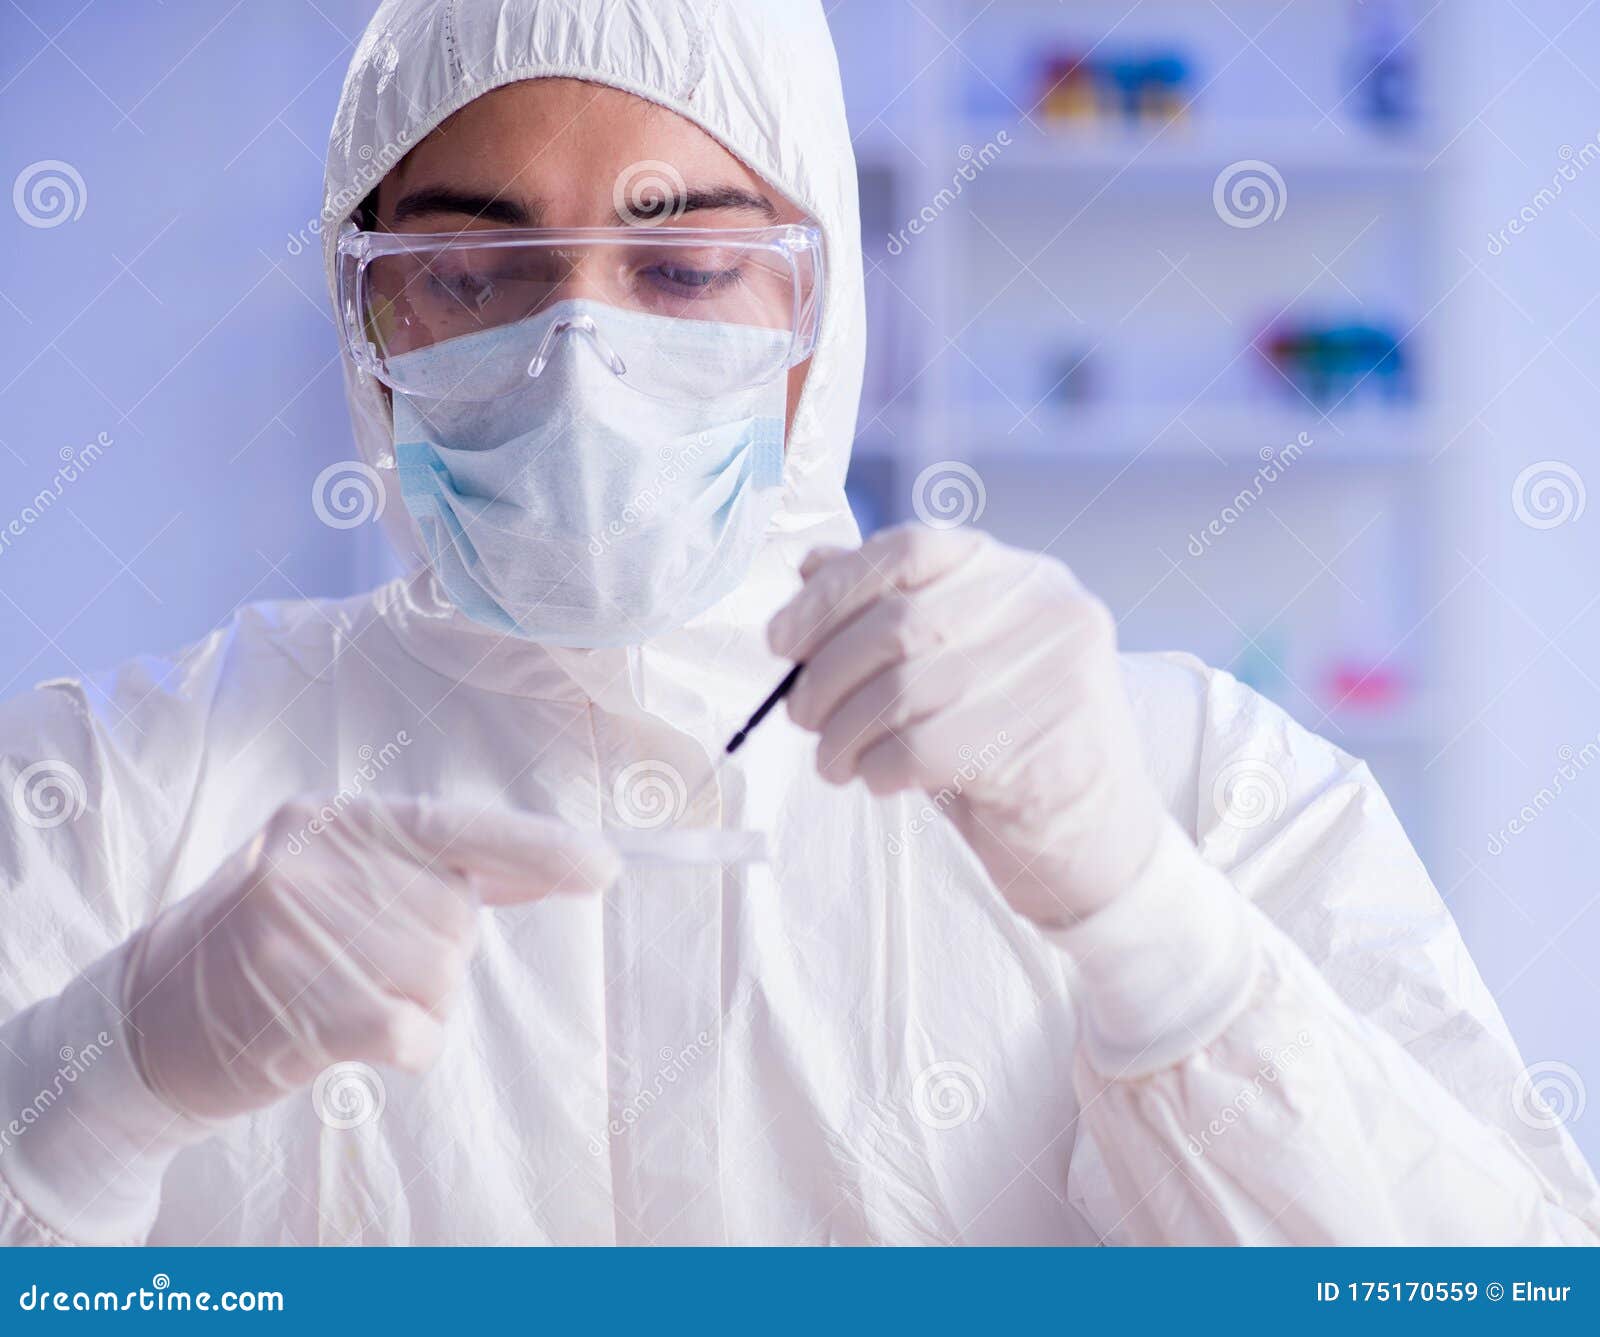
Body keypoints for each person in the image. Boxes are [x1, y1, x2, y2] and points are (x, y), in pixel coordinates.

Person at [0, 0, 1595, 1248]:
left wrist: (1146, 922)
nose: (579, 353)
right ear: (364, 314)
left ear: (817, 316)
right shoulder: (117, 791)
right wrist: (101, 1080)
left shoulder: (1189, 783)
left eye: (686, 265)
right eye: (473, 274)